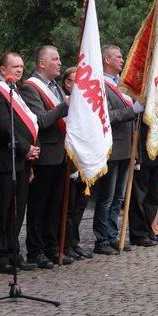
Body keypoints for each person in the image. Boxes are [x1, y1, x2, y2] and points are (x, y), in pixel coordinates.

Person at [0, 52, 40, 274]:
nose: (19, 70)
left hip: (21, 162)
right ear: (2, 69)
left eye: (21, 66)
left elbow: (27, 122)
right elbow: (3, 125)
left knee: (17, 211)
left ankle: (13, 253)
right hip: (5, 161)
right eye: (14, 66)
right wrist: (25, 147)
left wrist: (31, 148)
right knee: (2, 211)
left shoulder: (14, 91)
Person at [20, 45, 72, 267]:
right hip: (44, 155)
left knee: (55, 205)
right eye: (55, 59)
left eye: (60, 59)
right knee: (39, 206)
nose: (60, 62)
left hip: (61, 153)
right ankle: (35, 250)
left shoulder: (56, 87)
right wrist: (64, 106)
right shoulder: (30, 88)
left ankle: (52, 247)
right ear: (42, 63)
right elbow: (39, 121)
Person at [94, 45, 142, 255]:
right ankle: (101, 239)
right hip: (111, 146)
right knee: (107, 196)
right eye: (118, 56)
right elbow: (107, 115)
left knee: (119, 198)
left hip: (127, 147)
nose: (122, 60)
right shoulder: (100, 85)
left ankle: (113, 234)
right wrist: (132, 110)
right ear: (107, 60)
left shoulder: (123, 85)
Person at [61, 66, 93, 261]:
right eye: (76, 82)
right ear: (67, 83)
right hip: (69, 161)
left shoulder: (86, 102)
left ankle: (74, 243)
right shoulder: (64, 101)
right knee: (69, 207)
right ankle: (64, 244)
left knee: (80, 206)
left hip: (85, 159)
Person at [129, 119, 158, 246]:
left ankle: (148, 229)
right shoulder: (139, 100)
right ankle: (138, 233)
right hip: (143, 151)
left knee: (152, 196)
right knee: (139, 196)